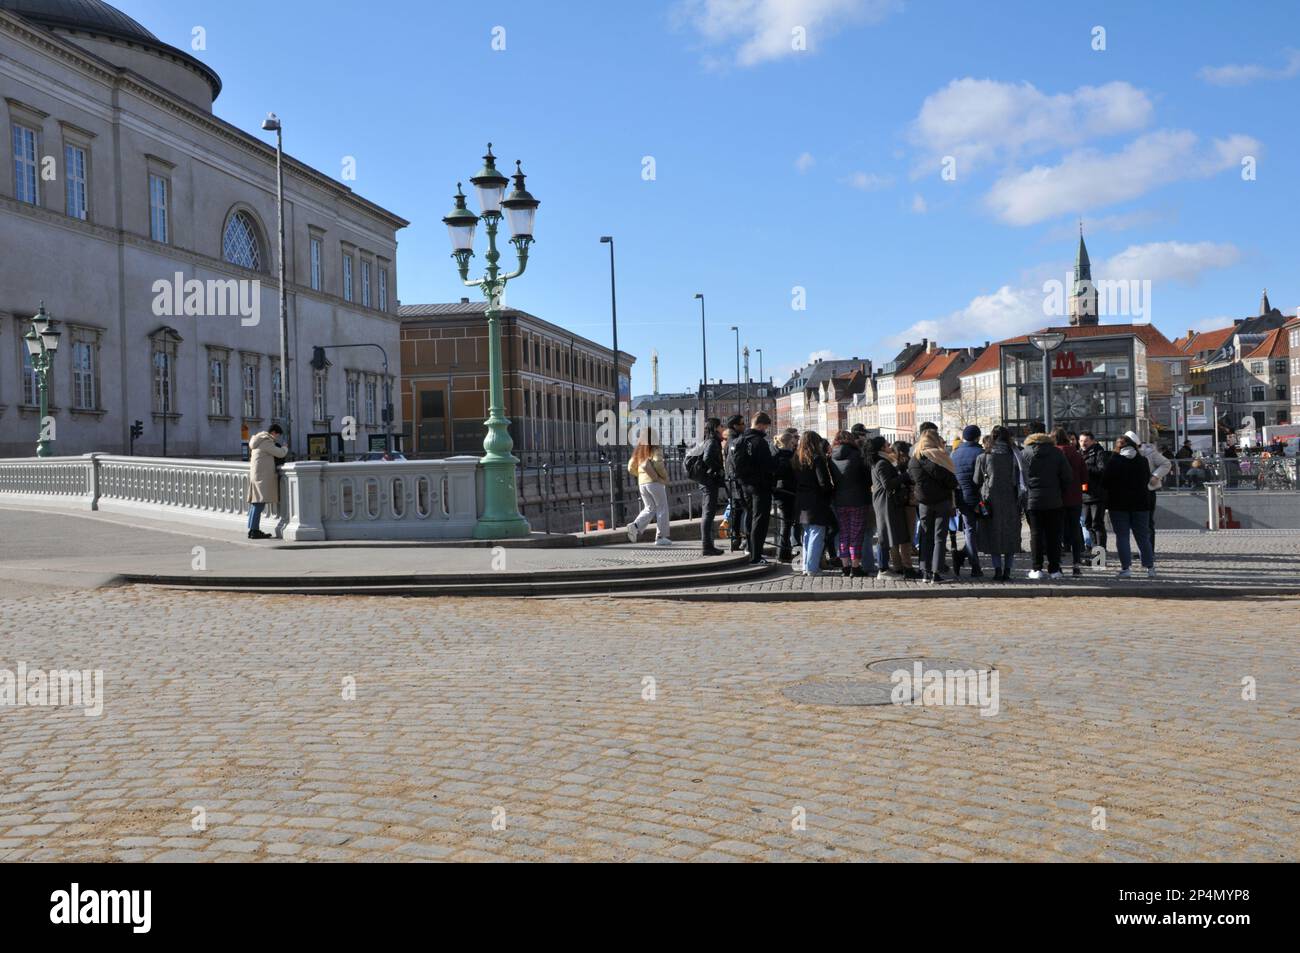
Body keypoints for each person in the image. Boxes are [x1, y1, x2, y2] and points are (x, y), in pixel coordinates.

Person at [1020, 427, 1072, 580]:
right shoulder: (1057, 453)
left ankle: (1036, 569)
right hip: (1054, 500)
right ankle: (1054, 569)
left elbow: (1020, 477)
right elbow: (1067, 477)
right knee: (1054, 536)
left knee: (1035, 535)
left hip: (1032, 500)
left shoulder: (1025, 454)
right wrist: (1059, 491)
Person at [908, 429, 959, 584]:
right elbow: (951, 481)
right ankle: (936, 572)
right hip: (941, 501)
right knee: (939, 538)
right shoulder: (940, 456)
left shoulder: (914, 459)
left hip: (923, 502)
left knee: (925, 536)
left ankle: (924, 571)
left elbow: (912, 478)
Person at [973, 426, 1022, 580]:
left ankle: (997, 570)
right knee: (1010, 535)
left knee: (993, 535)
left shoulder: (984, 457)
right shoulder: (1015, 455)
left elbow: (976, 480)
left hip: (990, 502)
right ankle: (1008, 570)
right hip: (1011, 500)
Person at [868, 437, 920, 578]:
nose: (889, 445)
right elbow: (888, 484)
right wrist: (905, 475)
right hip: (885, 503)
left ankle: (891, 567)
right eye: (886, 444)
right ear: (881, 448)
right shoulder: (882, 463)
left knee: (890, 535)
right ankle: (883, 568)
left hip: (887, 502)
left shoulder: (882, 461)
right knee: (885, 536)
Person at [1104, 434, 1155, 577]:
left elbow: (1105, 482)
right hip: (1141, 504)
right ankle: (1150, 567)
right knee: (1143, 537)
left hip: (1118, 504)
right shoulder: (1142, 461)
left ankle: (1125, 568)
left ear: (1118, 447)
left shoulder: (1114, 461)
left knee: (1122, 537)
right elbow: (1146, 479)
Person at [733, 412, 777, 565]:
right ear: (760, 425)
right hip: (760, 487)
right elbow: (769, 466)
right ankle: (756, 556)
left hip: (745, 486)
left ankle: (751, 552)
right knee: (760, 521)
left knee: (751, 519)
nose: (766, 430)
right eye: (765, 427)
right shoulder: (760, 442)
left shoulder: (740, 440)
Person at [829, 430, 875, 577]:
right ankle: (855, 567)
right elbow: (868, 479)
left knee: (844, 533)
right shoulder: (858, 456)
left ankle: (845, 566)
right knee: (856, 534)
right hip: (858, 499)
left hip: (839, 500)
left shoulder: (831, 457)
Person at [793, 430, 834, 575]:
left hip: (801, 500)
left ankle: (806, 566)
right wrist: (830, 491)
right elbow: (823, 482)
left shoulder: (797, 458)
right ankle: (812, 568)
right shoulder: (817, 458)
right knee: (817, 534)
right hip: (816, 501)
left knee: (807, 535)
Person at [686, 417, 726, 556]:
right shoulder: (712, 442)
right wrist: (718, 470)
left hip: (706, 481)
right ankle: (707, 546)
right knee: (708, 514)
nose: (723, 428)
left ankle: (709, 545)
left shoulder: (707, 441)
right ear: (715, 428)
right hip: (709, 482)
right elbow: (707, 458)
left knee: (707, 513)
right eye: (721, 425)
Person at [626, 428, 672, 546]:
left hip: (642, 484)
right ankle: (661, 537)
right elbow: (658, 463)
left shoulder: (639, 451)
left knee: (649, 508)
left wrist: (641, 475)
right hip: (655, 483)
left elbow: (630, 467)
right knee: (662, 507)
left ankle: (635, 526)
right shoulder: (655, 449)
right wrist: (664, 477)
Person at [1126, 430, 1171, 551]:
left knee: (1147, 522)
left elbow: (1166, 463)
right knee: (1135, 523)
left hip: (1147, 491)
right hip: (1131, 492)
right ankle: (1142, 549)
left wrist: (1156, 476)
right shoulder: (1124, 453)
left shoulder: (1149, 452)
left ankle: (1148, 550)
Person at [950, 424, 985, 578]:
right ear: (978, 437)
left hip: (961, 497)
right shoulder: (980, 453)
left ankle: (962, 556)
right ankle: (975, 567)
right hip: (978, 498)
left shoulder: (954, 454)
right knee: (975, 531)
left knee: (970, 531)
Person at [1054, 428, 1088, 576]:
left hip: (1057, 498)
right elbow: (1085, 477)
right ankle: (1076, 565)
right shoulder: (1076, 454)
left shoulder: (1053, 453)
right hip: (1075, 498)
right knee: (1075, 531)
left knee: (1057, 532)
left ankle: (1058, 565)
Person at [246, 424, 288, 539]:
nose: (277, 438)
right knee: (259, 504)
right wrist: (285, 447)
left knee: (255, 504)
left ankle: (252, 530)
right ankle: (254, 531)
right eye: (278, 435)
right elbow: (280, 453)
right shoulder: (266, 441)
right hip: (262, 477)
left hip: (257, 475)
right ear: (274, 432)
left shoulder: (258, 440)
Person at [771, 429, 799, 563]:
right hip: (787, 493)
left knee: (786, 524)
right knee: (786, 524)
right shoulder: (788, 457)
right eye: (793, 442)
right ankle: (783, 553)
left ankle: (784, 552)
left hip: (779, 493)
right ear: (789, 442)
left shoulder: (775, 456)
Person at [1079, 431, 1109, 553]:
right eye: (1081, 441)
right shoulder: (1079, 453)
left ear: (1092, 441)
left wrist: (1086, 467)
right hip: (1084, 495)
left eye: (1085, 441)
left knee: (1097, 525)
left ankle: (1100, 556)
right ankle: (1093, 552)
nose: (1083, 443)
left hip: (1097, 495)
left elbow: (1102, 470)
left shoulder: (1099, 452)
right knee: (1088, 524)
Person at [722, 415, 748, 552]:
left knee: (736, 511)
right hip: (737, 482)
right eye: (742, 423)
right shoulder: (737, 441)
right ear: (735, 426)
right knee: (746, 510)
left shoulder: (729, 441)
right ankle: (744, 540)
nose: (744, 425)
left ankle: (735, 539)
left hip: (730, 481)